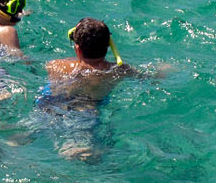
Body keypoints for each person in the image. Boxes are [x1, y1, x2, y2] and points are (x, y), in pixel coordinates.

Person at [35, 18, 139, 161]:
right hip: (84, 111)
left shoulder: (55, 65)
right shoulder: (118, 71)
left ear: (77, 48)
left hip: (48, 106)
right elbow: (147, 77)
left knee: (27, 131)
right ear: (109, 46)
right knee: (87, 154)